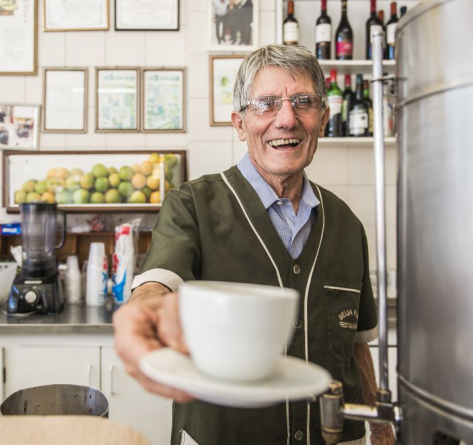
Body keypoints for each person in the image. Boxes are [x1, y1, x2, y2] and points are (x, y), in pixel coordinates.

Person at [113, 44, 396, 445]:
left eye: (303, 102)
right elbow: (160, 281)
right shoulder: (192, 206)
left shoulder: (347, 224)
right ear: (241, 124)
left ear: (324, 119)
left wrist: (382, 430)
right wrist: (144, 312)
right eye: (266, 104)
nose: (287, 119)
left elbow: (357, 347)